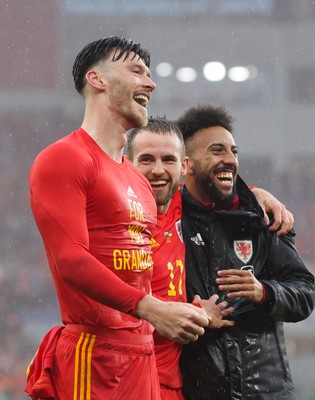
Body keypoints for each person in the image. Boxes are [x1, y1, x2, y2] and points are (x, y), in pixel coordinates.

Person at [24, 37, 210, 400]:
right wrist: (150, 307)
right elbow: (71, 261)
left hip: (144, 359)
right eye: (137, 71)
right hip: (94, 356)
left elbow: (186, 210)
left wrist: (253, 196)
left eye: (150, 75)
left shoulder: (138, 181)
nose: (151, 84)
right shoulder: (64, 158)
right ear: (98, 80)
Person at [126, 116, 296, 400]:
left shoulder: (183, 209)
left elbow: (211, 193)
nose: (158, 170)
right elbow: (106, 311)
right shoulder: (111, 222)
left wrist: (255, 195)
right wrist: (195, 314)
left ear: (184, 166)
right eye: (146, 160)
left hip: (175, 386)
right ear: (126, 164)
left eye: (168, 159)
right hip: (126, 378)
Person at [175, 104, 315, 399]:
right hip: (196, 391)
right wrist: (192, 313)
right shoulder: (170, 221)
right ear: (187, 164)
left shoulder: (262, 219)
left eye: (233, 152)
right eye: (216, 151)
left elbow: (305, 294)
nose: (230, 160)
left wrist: (265, 291)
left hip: (266, 392)